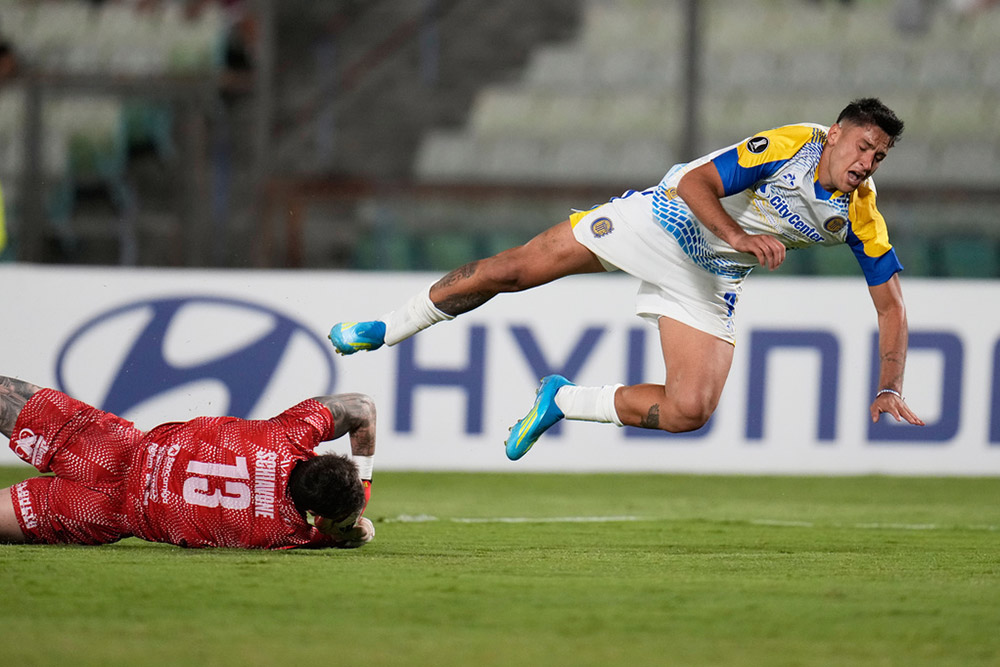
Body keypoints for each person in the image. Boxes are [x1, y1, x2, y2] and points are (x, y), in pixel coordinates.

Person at [329, 97, 925, 460]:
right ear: (835, 132)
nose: (866, 164)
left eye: (879, 158)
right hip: (665, 220)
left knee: (690, 411)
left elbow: (892, 307)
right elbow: (697, 185)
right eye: (864, 146)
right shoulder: (793, 145)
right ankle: (389, 326)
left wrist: (890, 385)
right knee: (515, 270)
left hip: (714, 273)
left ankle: (560, 400)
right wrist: (741, 235)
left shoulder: (859, 214)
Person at [0, 375, 377, 549]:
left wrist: (364, 485)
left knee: (5, 397)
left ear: (320, 454)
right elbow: (348, 536)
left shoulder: (288, 435)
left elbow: (361, 407)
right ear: (315, 513)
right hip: (100, 512)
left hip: (110, 447)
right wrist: (353, 520)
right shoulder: (283, 533)